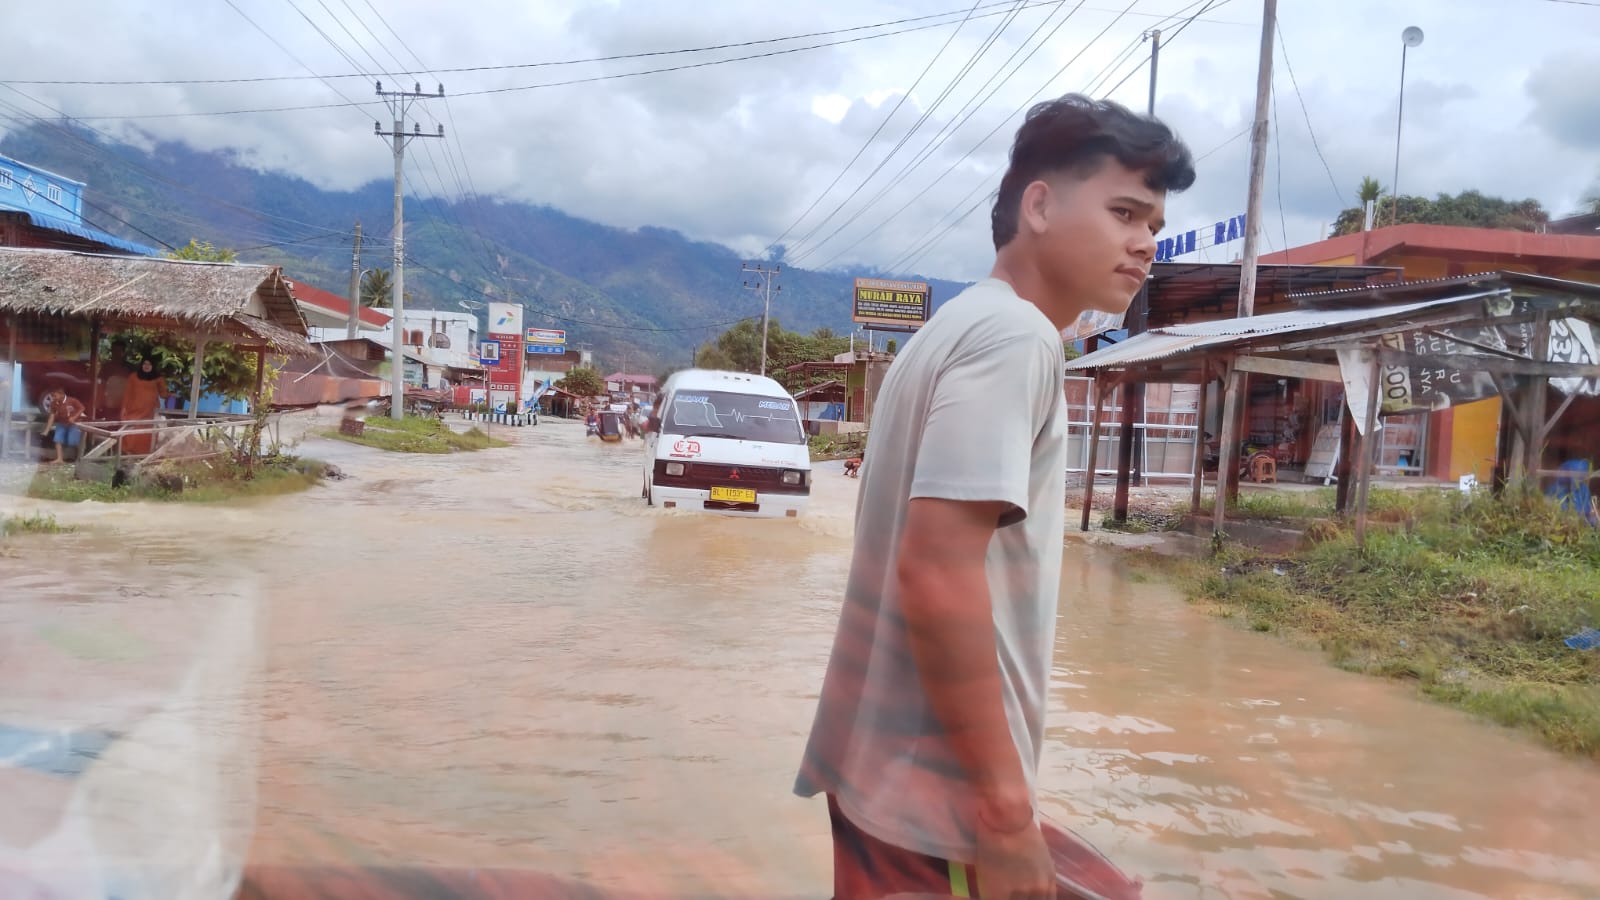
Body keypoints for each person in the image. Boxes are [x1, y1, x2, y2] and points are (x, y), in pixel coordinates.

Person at [794, 94, 1194, 900]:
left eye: (1153, 222)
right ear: (1039, 205)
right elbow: (937, 572)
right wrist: (1007, 818)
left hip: (890, 781)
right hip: (937, 808)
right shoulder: (1015, 339)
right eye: (1124, 212)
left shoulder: (949, 330)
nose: (1145, 243)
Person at [118, 358, 170, 455]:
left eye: (149, 364)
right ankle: (128, 455)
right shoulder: (133, 376)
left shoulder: (158, 378)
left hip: (149, 412)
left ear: (153, 366)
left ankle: (144, 455)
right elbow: (127, 394)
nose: (146, 366)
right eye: (144, 363)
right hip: (133, 411)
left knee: (146, 434)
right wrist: (124, 409)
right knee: (131, 432)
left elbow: (163, 394)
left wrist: (170, 393)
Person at [40, 387, 88, 465]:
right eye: (53, 396)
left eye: (55, 396)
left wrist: (74, 417)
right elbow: (51, 417)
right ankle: (59, 459)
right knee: (57, 439)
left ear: (61, 395)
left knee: (73, 441)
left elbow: (82, 408)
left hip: (74, 423)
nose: (53, 398)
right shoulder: (54, 403)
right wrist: (46, 430)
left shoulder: (72, 400)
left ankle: (79, 458)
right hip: (62, 423)